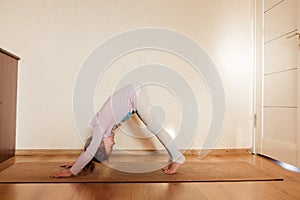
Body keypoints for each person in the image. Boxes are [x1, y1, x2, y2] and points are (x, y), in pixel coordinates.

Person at [50, 84, 185, 178]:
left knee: (154, 126)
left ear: (101, 144)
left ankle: (178, 157)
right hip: (133, 95)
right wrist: (79, 162)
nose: (114, 144)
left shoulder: (100, 127)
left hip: (134, 94)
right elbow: (89, 152)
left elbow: (91, 151)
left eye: (110, 147)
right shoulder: (106, 129)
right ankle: (174, 157)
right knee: (153, 126)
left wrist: (73, 171)